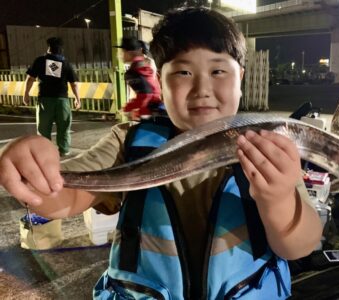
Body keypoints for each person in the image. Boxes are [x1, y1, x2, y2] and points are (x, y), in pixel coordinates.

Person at [0, 8, 322, 299]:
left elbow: (300, 245)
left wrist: (279, 200)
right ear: (159, 81)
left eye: (218, 71)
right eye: (183, 73)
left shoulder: (266, 147)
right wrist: (34, 172)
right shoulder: (130, 142)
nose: (202, 89)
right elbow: (68, 196)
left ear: (241, 78)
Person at [23, 37, 81, 157]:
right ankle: (63, 151)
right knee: (64, 128)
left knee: (44, 129)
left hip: (45, 100)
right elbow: (74, 84)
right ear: (61, 49)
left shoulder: (40, 61)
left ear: (48, 48)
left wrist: (26, 94)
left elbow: (30, 79)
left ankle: (45, 153)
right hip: (62, 101)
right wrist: (77, 99)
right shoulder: (65, 63)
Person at [115, 37, 162, 120]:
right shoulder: (143, 63)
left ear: (129, 53)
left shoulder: (133, 71)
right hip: (156, 108)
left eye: (121, 52)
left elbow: (146, 93)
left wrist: (128, 108)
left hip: (148, 113)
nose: (119, 55)